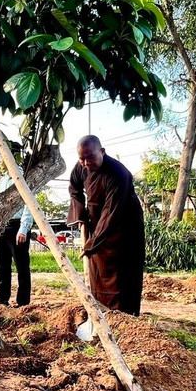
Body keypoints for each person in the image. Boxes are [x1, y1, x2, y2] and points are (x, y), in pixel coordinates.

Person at [67, 135, 145, 316]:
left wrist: (91, 243)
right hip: (97, 224)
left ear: (102, 152)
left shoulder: (117, 173)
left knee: (123, 273)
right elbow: (74, 188)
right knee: (98, 271)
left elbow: (111, 213)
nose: (86, 163)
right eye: (81, 158)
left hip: (124, 227)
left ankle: (125, 317)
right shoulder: (81, 166)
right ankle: (101, 314)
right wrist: (80, 215)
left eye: (90, 157)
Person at [0, 166, 33, 307]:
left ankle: (23, 302)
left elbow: (29, 205)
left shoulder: (23, 177)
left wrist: (23, 229)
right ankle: (2, 299)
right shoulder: (3, 179)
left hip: (18, 226)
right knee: (1, 266)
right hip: (2, 226)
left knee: (22, 266)